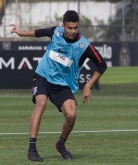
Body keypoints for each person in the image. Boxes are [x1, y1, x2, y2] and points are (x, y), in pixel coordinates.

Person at [10, 10, 107, 162]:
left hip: (62, 85)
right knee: (41, 104)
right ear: (63, 26)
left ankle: (61, 144)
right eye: (69, 28)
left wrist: (88, 86)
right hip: (43, 76)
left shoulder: (83, 45)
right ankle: (32, 149)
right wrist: (20, 33)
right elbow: (37, 32)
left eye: (75, 28)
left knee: (71, 115)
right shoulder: (55, 31)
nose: (73, 31)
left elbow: (102, 65)